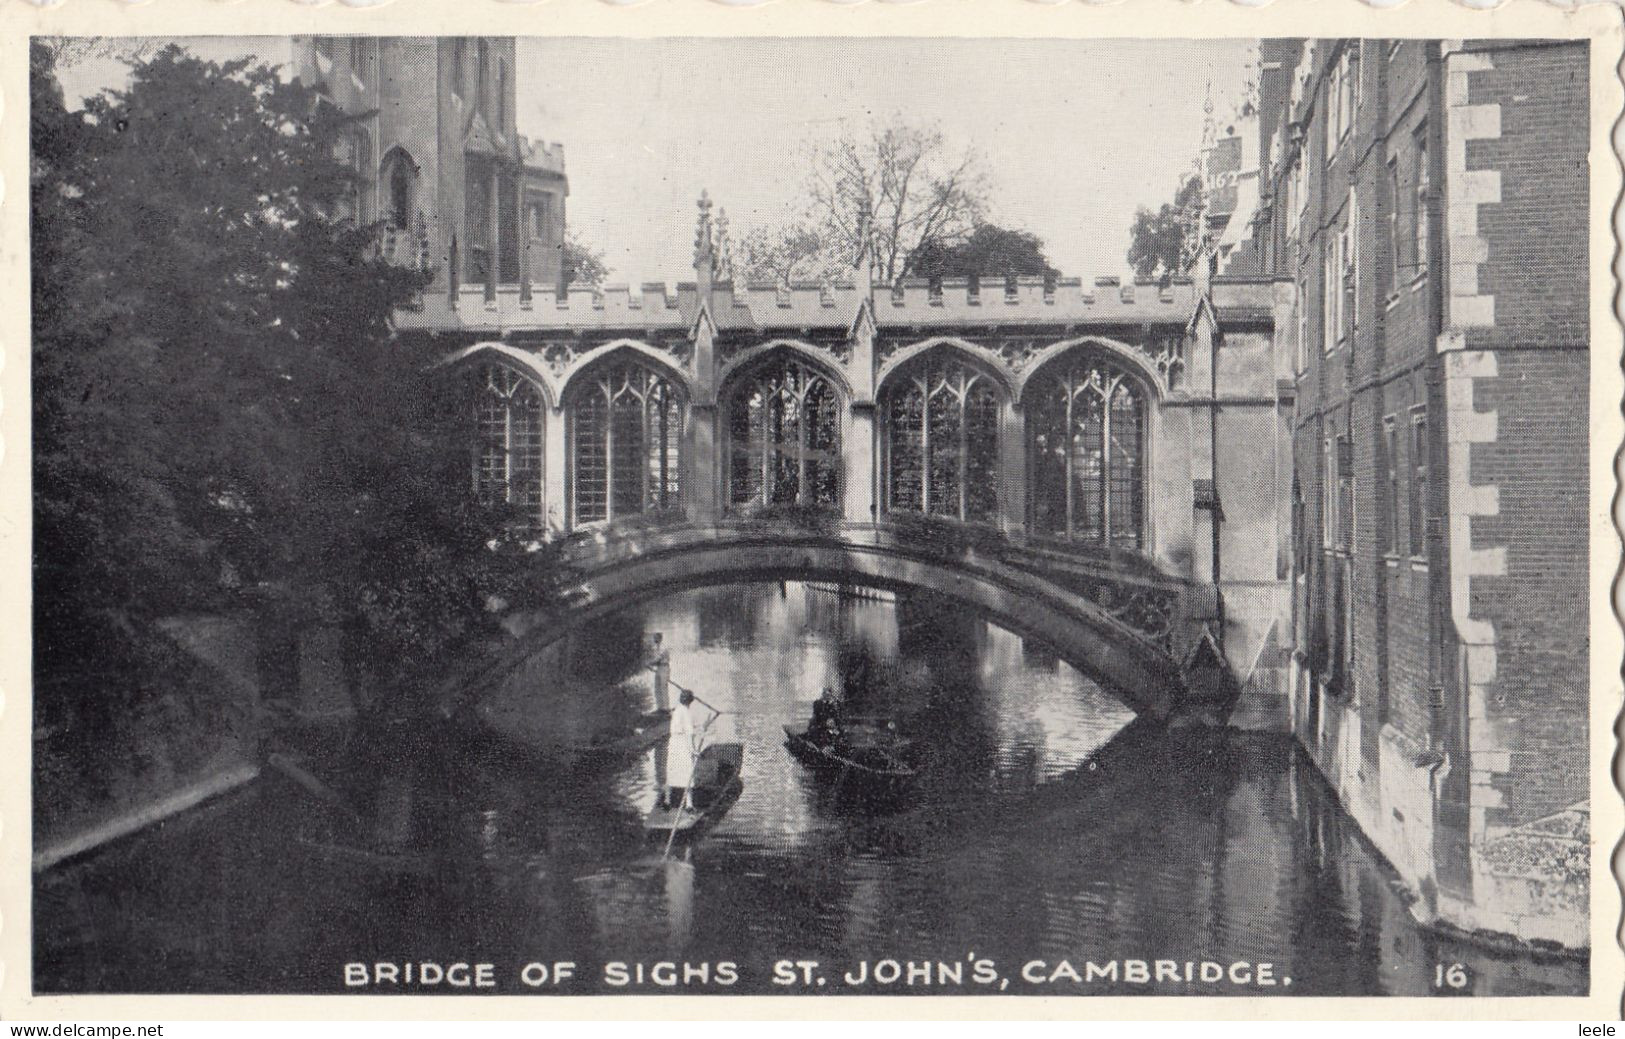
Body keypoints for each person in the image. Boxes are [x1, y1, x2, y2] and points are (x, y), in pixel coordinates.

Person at [664, 689, 716, 811]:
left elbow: (684, 728)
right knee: (687, 772)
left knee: (672, 770)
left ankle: (667, 801)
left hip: (673, 743)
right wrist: (693, 750)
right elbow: (688, 735)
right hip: (682, 745)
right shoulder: (686, 712)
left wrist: (699, 727)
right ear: (690, 702)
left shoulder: (677, 710)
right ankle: (689, 804)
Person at [646, 633, 671, 711]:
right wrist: (651, 665)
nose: (654, 640)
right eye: (654, 638)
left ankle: (666, 708)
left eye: (655, 638)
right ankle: (660, 707)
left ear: (660, 639)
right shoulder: (656, 648)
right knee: (657, 687)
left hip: (664, 668)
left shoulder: (663, 647)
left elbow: (658, 659)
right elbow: (656, 661)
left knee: (663, 688)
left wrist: (649, 663)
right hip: (659, 668)